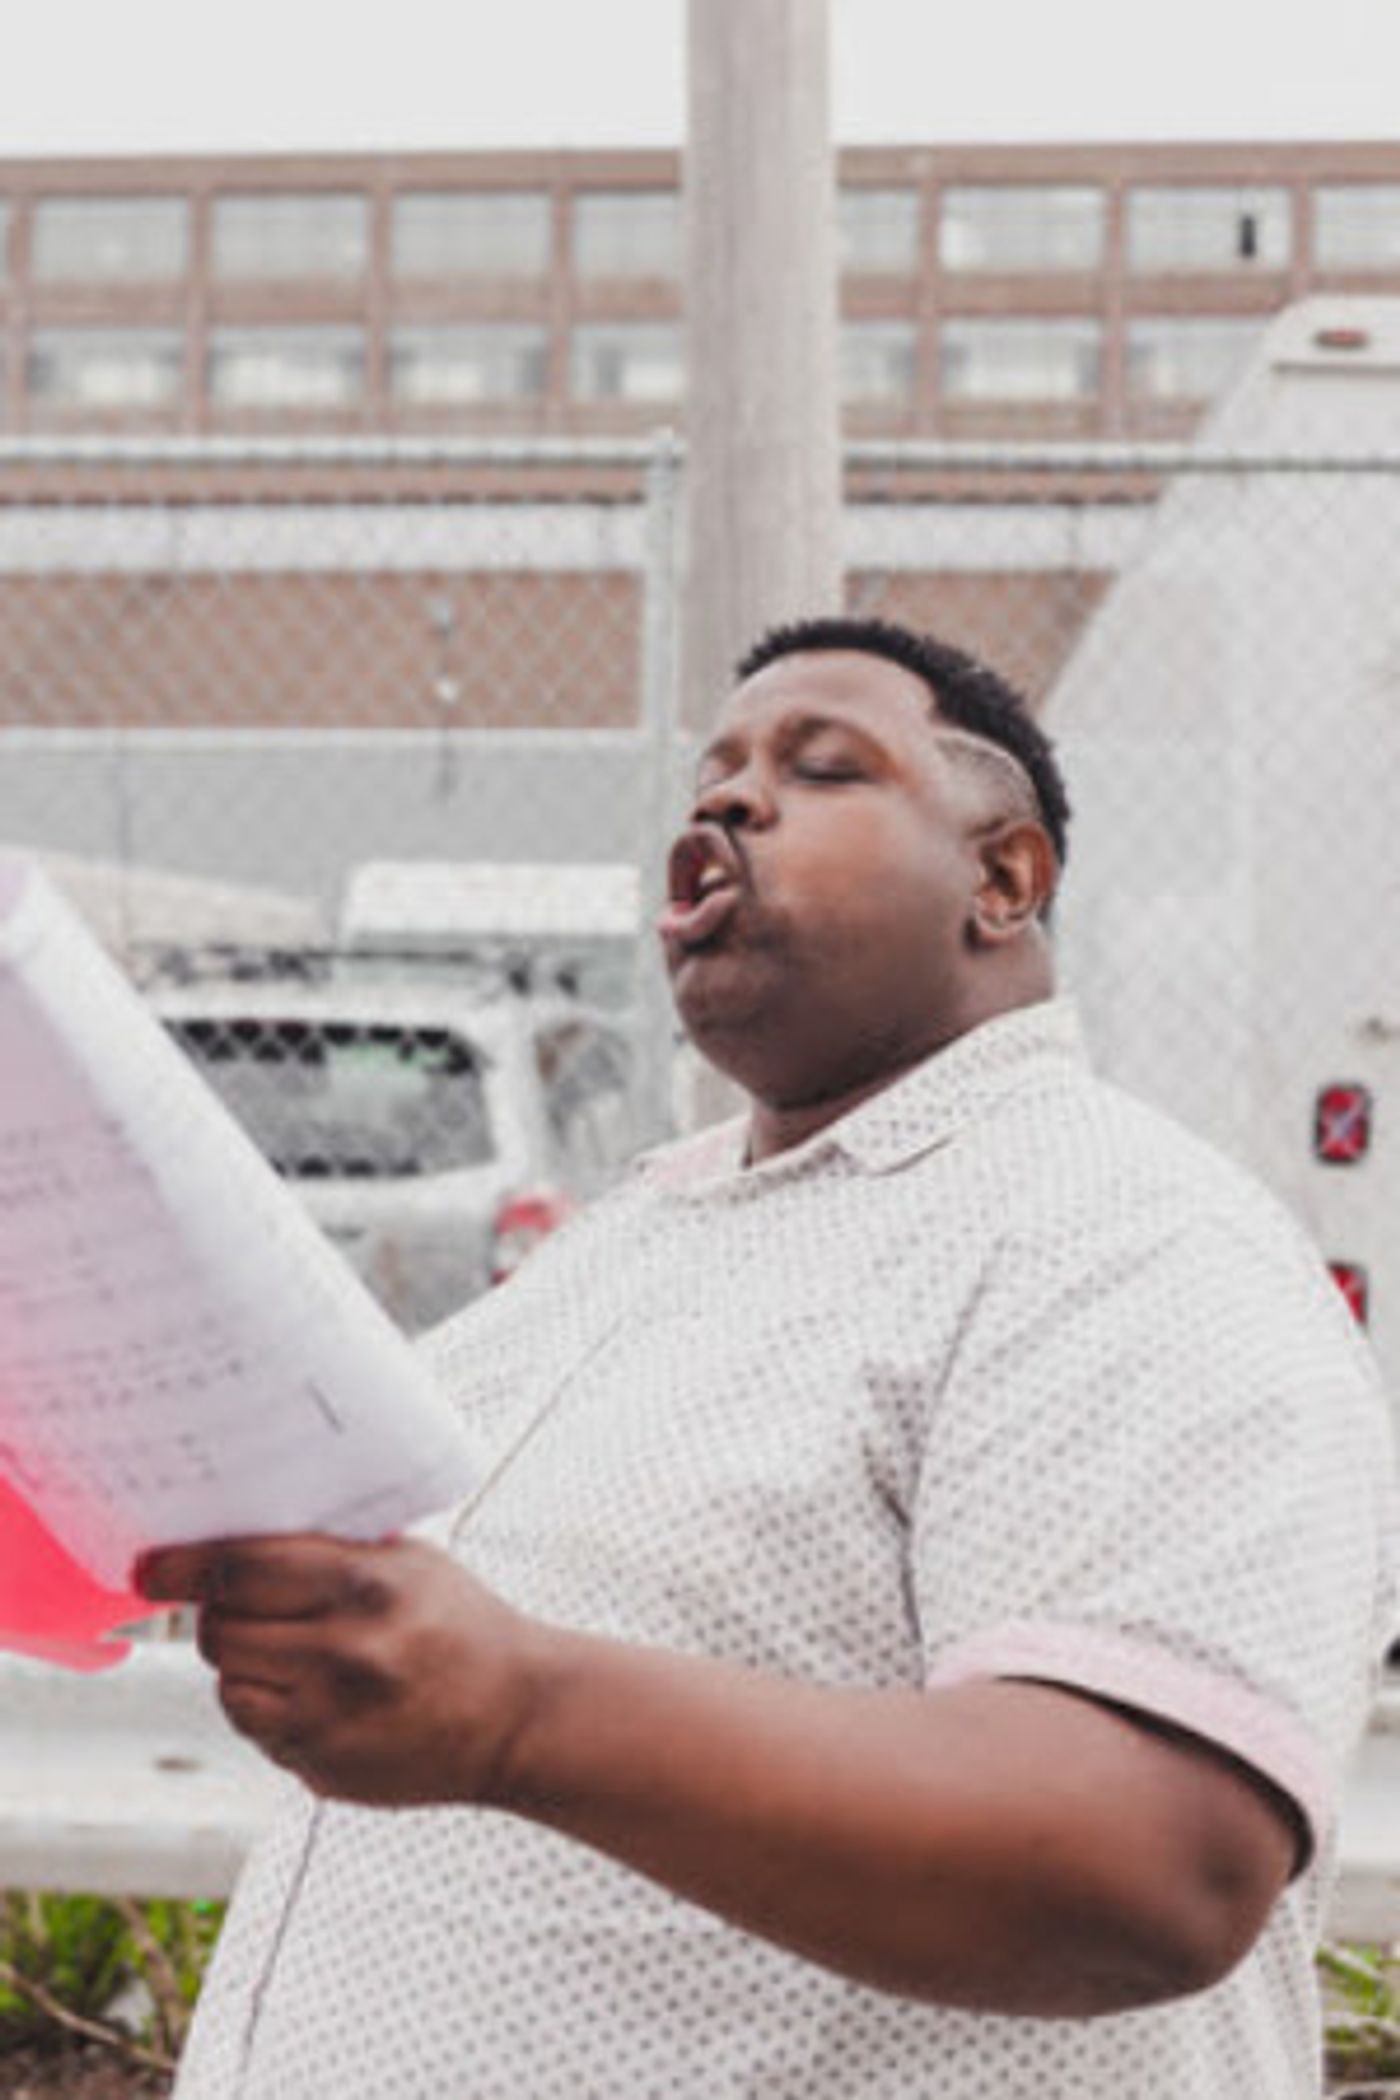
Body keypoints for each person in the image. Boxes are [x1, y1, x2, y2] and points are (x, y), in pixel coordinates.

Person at [140, 616, 1395, 2099]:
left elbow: (1151, 1859)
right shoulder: (641, 1229)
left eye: (823, 768)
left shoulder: (1124, 1235)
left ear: (1003, 879)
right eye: (714, 774)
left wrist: (521, 1713)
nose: (728, 802)